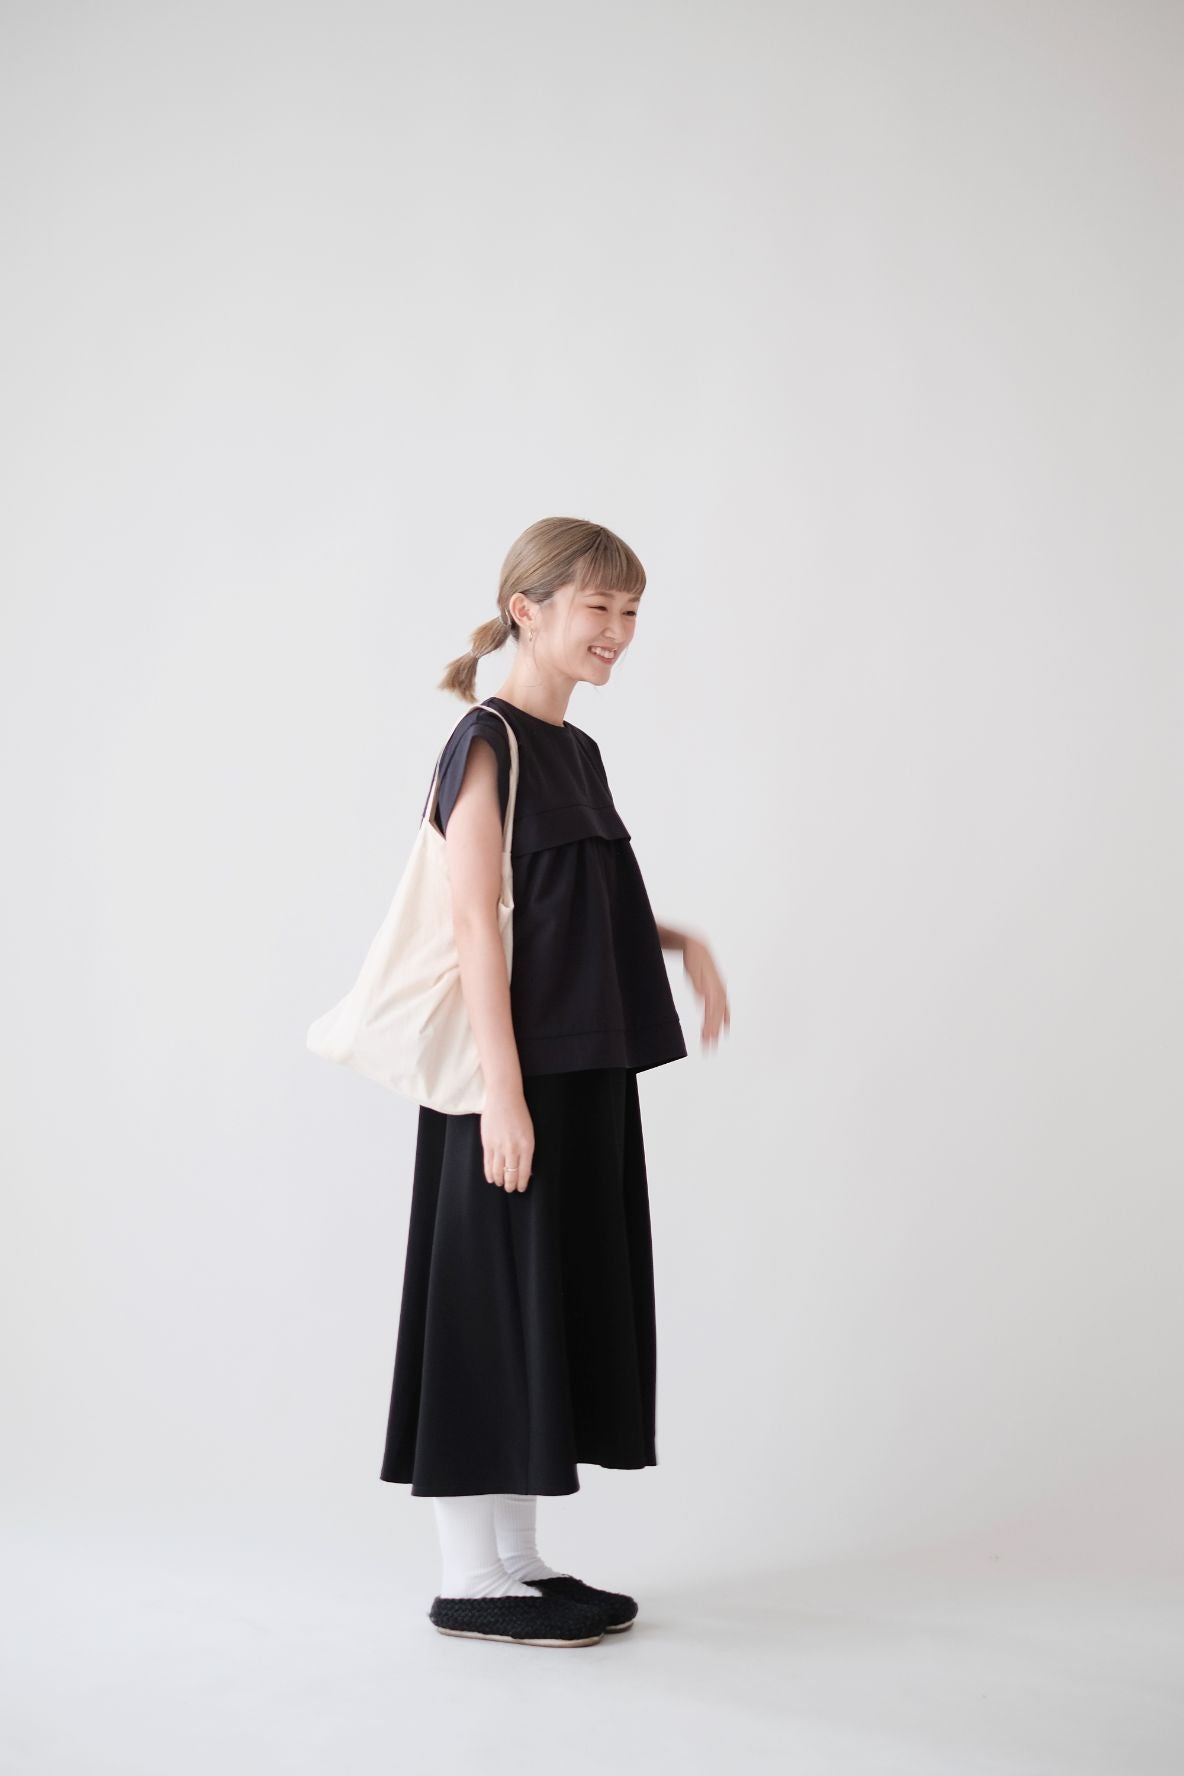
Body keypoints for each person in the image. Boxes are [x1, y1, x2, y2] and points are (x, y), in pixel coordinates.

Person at [379, 516, 730, 1648]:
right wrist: (502, 1093)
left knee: (545, 1304)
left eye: (631, 612)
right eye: (598, 607)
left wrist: (675, 940)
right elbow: (473, 924)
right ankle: (467, 1580)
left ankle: (518, 1564)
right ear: (525, 610)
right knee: (485, 1304)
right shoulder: (483, 743)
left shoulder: (573, 750)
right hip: (511, 1077)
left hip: (579, 1069)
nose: (618, 630)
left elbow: (565, 902)